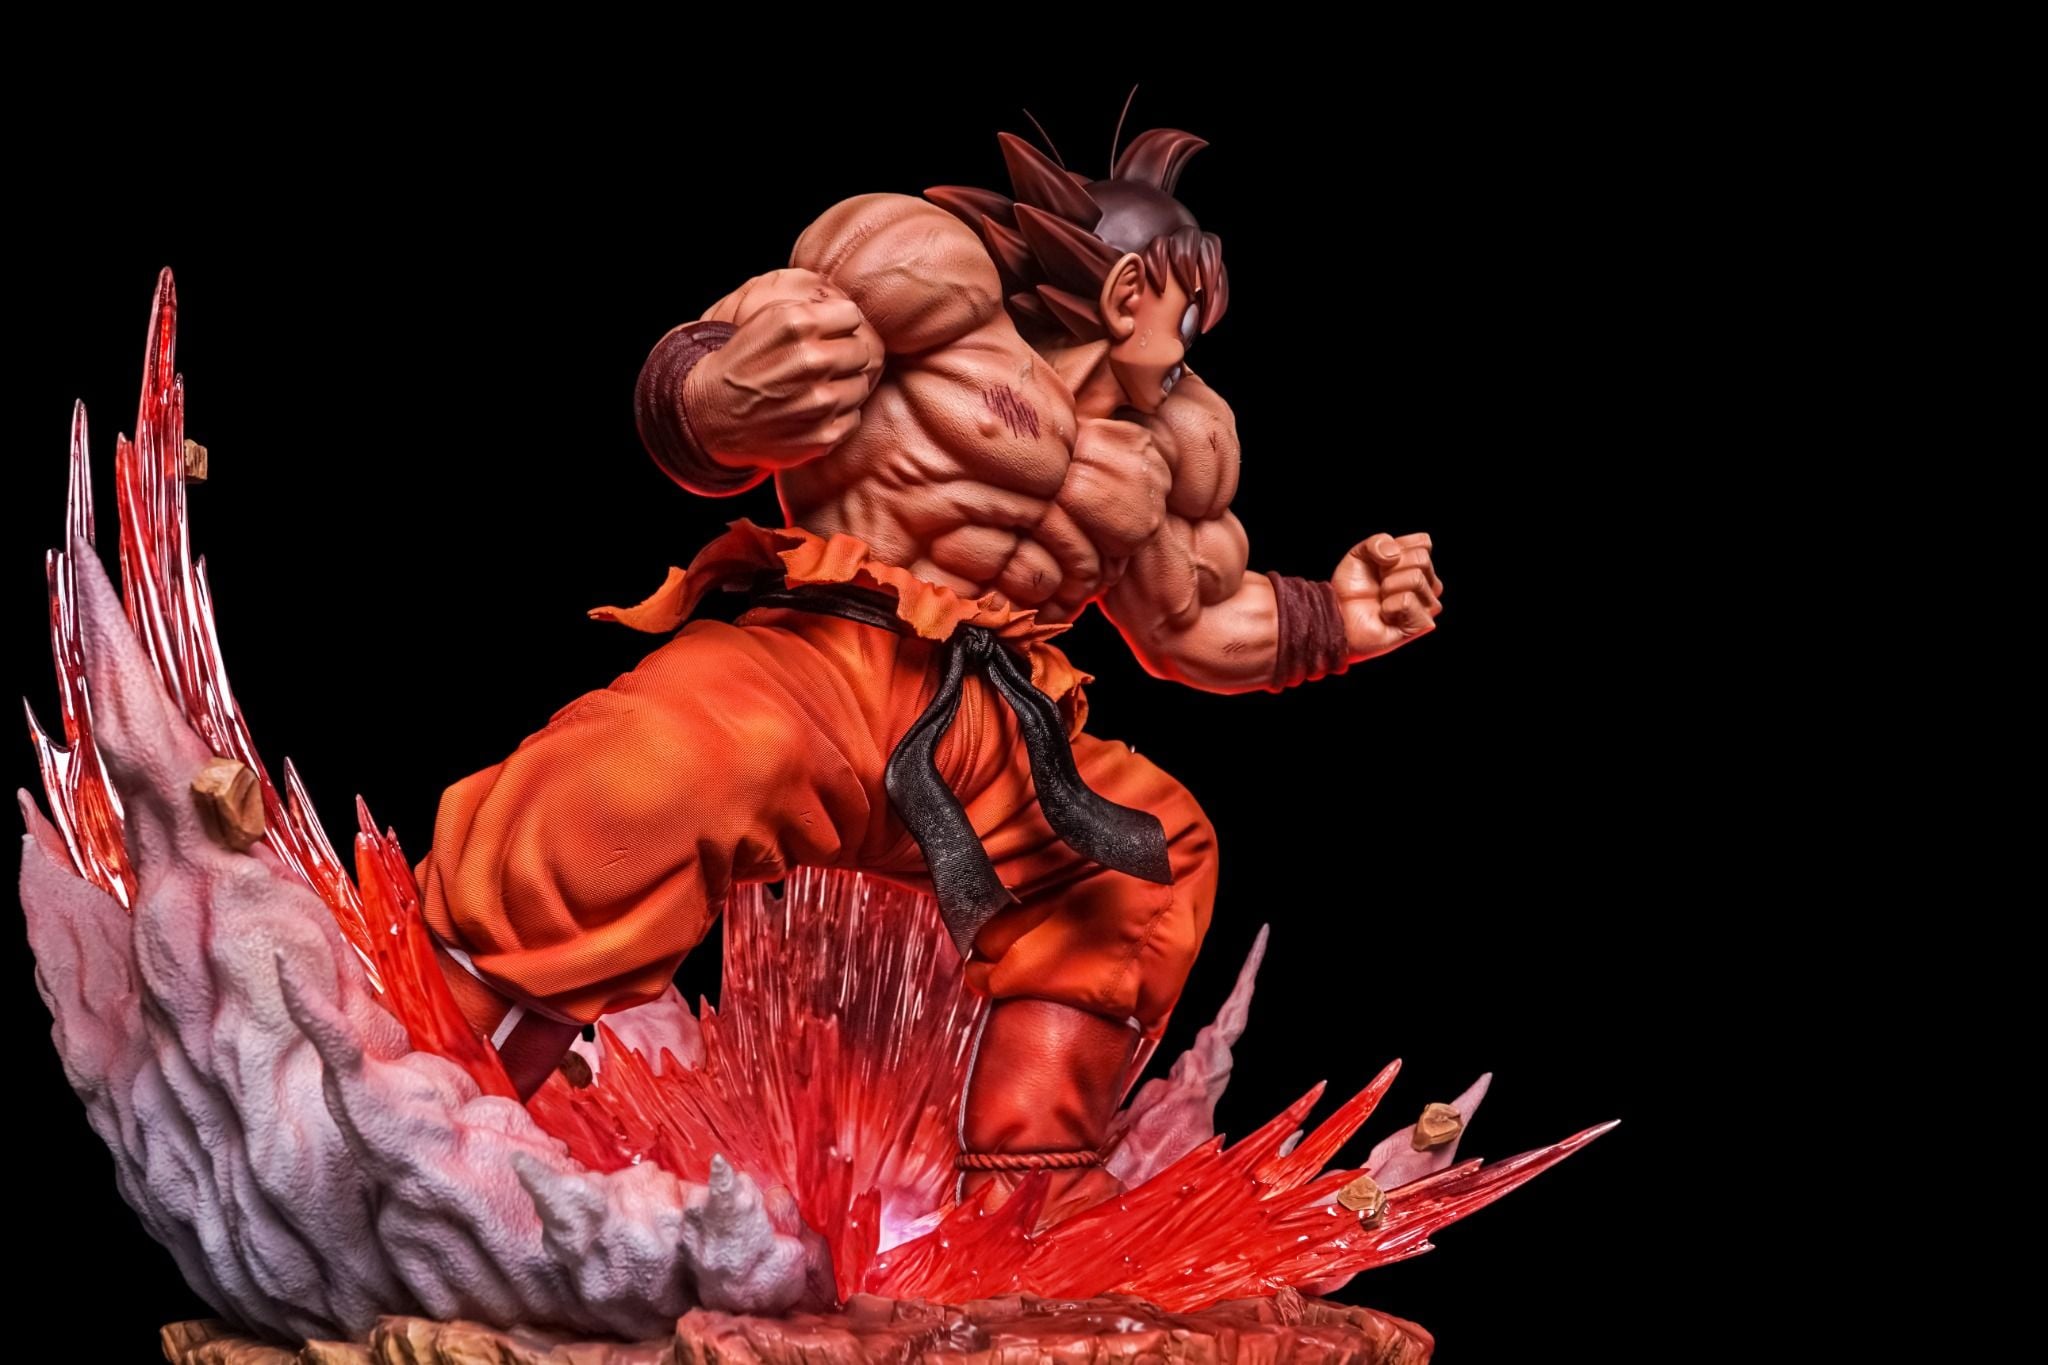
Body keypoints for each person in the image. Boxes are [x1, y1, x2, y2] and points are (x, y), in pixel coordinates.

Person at [416, 126, 1442, 1222]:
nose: (1196, 343)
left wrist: (1340, 618)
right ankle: (432, 1085)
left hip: (995, 726)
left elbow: (1188, 623)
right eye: (1192, 310)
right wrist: (710, 393)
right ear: (1132, 290)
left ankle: (1028, 1195)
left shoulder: (1172, 439)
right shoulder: (922, 275)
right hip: (818, 664)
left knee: (1149, 853)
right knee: (648, 767)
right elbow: (729, 373)